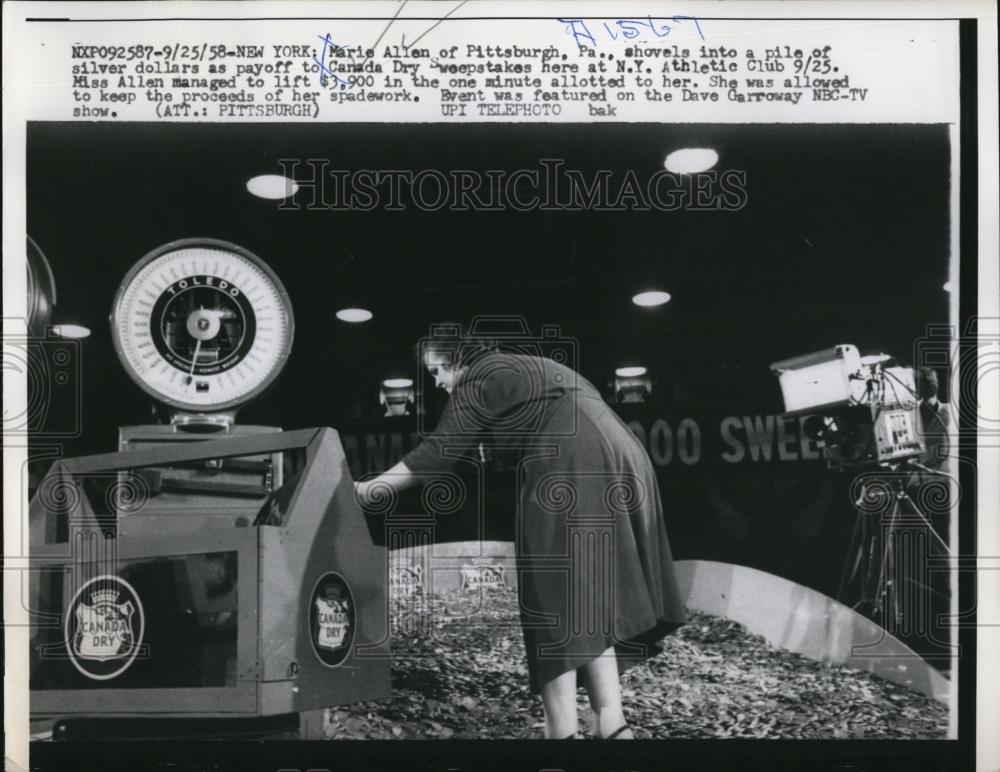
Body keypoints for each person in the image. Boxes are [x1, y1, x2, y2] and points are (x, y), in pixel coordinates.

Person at [355, 331, 686, 739]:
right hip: (621, 451)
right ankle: (613, 728)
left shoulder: (480, 376)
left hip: (572, 456)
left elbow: (437, 454)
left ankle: (560, 733)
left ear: (459, 359)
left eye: (438, 370)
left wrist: (368, 489)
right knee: (588, 597)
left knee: (549, 593)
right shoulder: (522, 369)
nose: (437, 382)